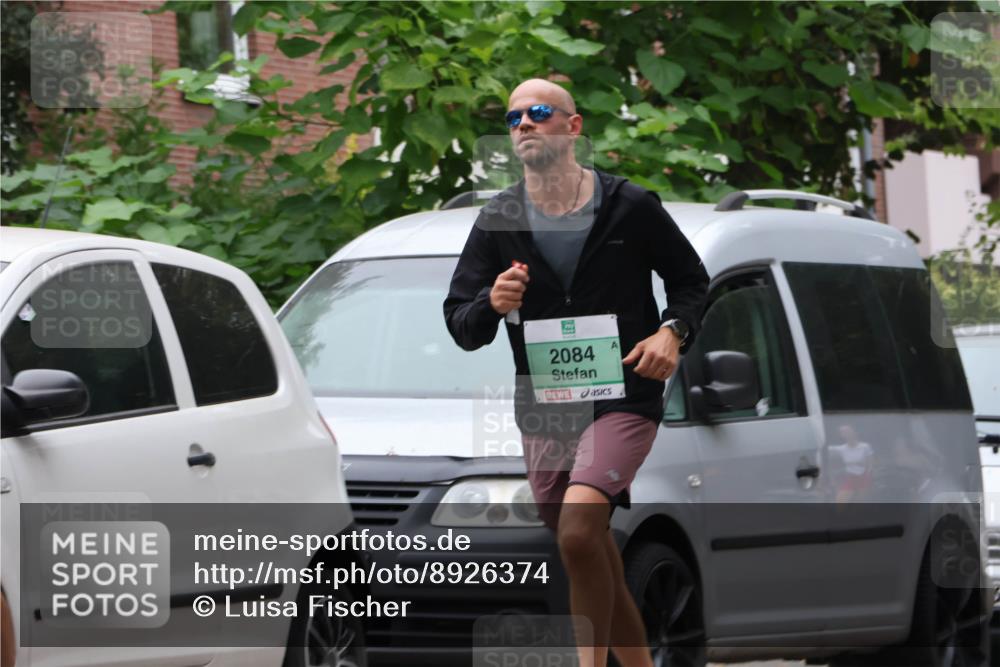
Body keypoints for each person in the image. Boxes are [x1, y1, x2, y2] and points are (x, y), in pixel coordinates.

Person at [443, 78, 709, 667]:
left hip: (624, 395)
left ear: (573, 126)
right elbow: (460, 322)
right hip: (546, 406)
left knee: (578, 529)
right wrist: (493, 302)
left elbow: (692, 282)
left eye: (539, 113)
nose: (524, 126)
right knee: (589, 550)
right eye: (513, 119)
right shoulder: (499, 217)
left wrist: (672, 331)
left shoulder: (630, 205)